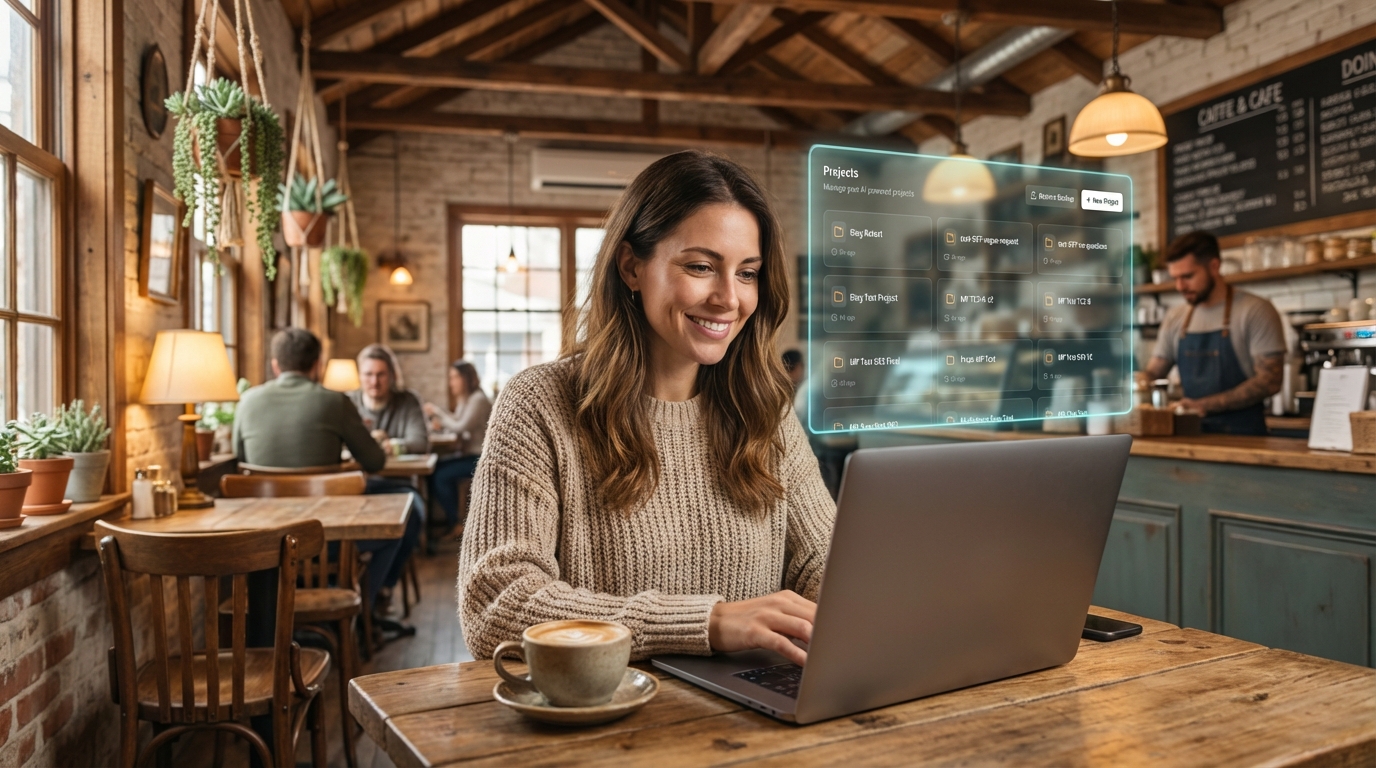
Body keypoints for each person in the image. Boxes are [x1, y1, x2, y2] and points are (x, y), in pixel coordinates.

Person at [458, 150, 835, 668]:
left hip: (753, 706)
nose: (729, 298)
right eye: (701, 267)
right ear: (632, 267)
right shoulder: (540, 403)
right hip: (609, 709)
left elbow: (823, 561)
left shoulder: (765, 410)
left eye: (748, 273)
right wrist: (707, 623)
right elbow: (495, 605)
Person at [232, 328, 420, 609]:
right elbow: (375, 462)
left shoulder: (247, 402)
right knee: (400, 522)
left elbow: (240, 458)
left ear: (275, 365)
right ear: (317, 365)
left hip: (260, 542)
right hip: (324, 541)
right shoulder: (335, 401)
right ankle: (359, 609)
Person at [1144, 231, 1286, 435]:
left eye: (1188, 276)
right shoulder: (1175, 317)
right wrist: (1130, 383)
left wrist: (1203, 405)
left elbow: (1270, 381)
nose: (1180, 286)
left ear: (1214, 266)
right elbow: (1154, 372)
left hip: (1243, 436)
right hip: (1188, 435)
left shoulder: (1255, 310)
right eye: (1175, 278)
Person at [423, 360, 491, 534]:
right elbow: (456, 422)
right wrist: (442, 422)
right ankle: (446, 522)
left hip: (481, 459)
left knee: (440, 475)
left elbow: (461, 427)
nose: (451, 382)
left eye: (454, 377)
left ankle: (456, 523)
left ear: (465, 378)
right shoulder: (466, 399)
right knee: (434, 468)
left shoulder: (478, 399)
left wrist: (438, 413)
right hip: (470, 455)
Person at [349, 344, 430, 455]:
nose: (374, 382)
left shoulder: (408, 401)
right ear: (359, 376)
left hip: (400, 467)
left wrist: (391, 446)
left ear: (393, 376)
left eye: (381, 374)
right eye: (368, 374)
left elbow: (420, 443)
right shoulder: (347, 402)